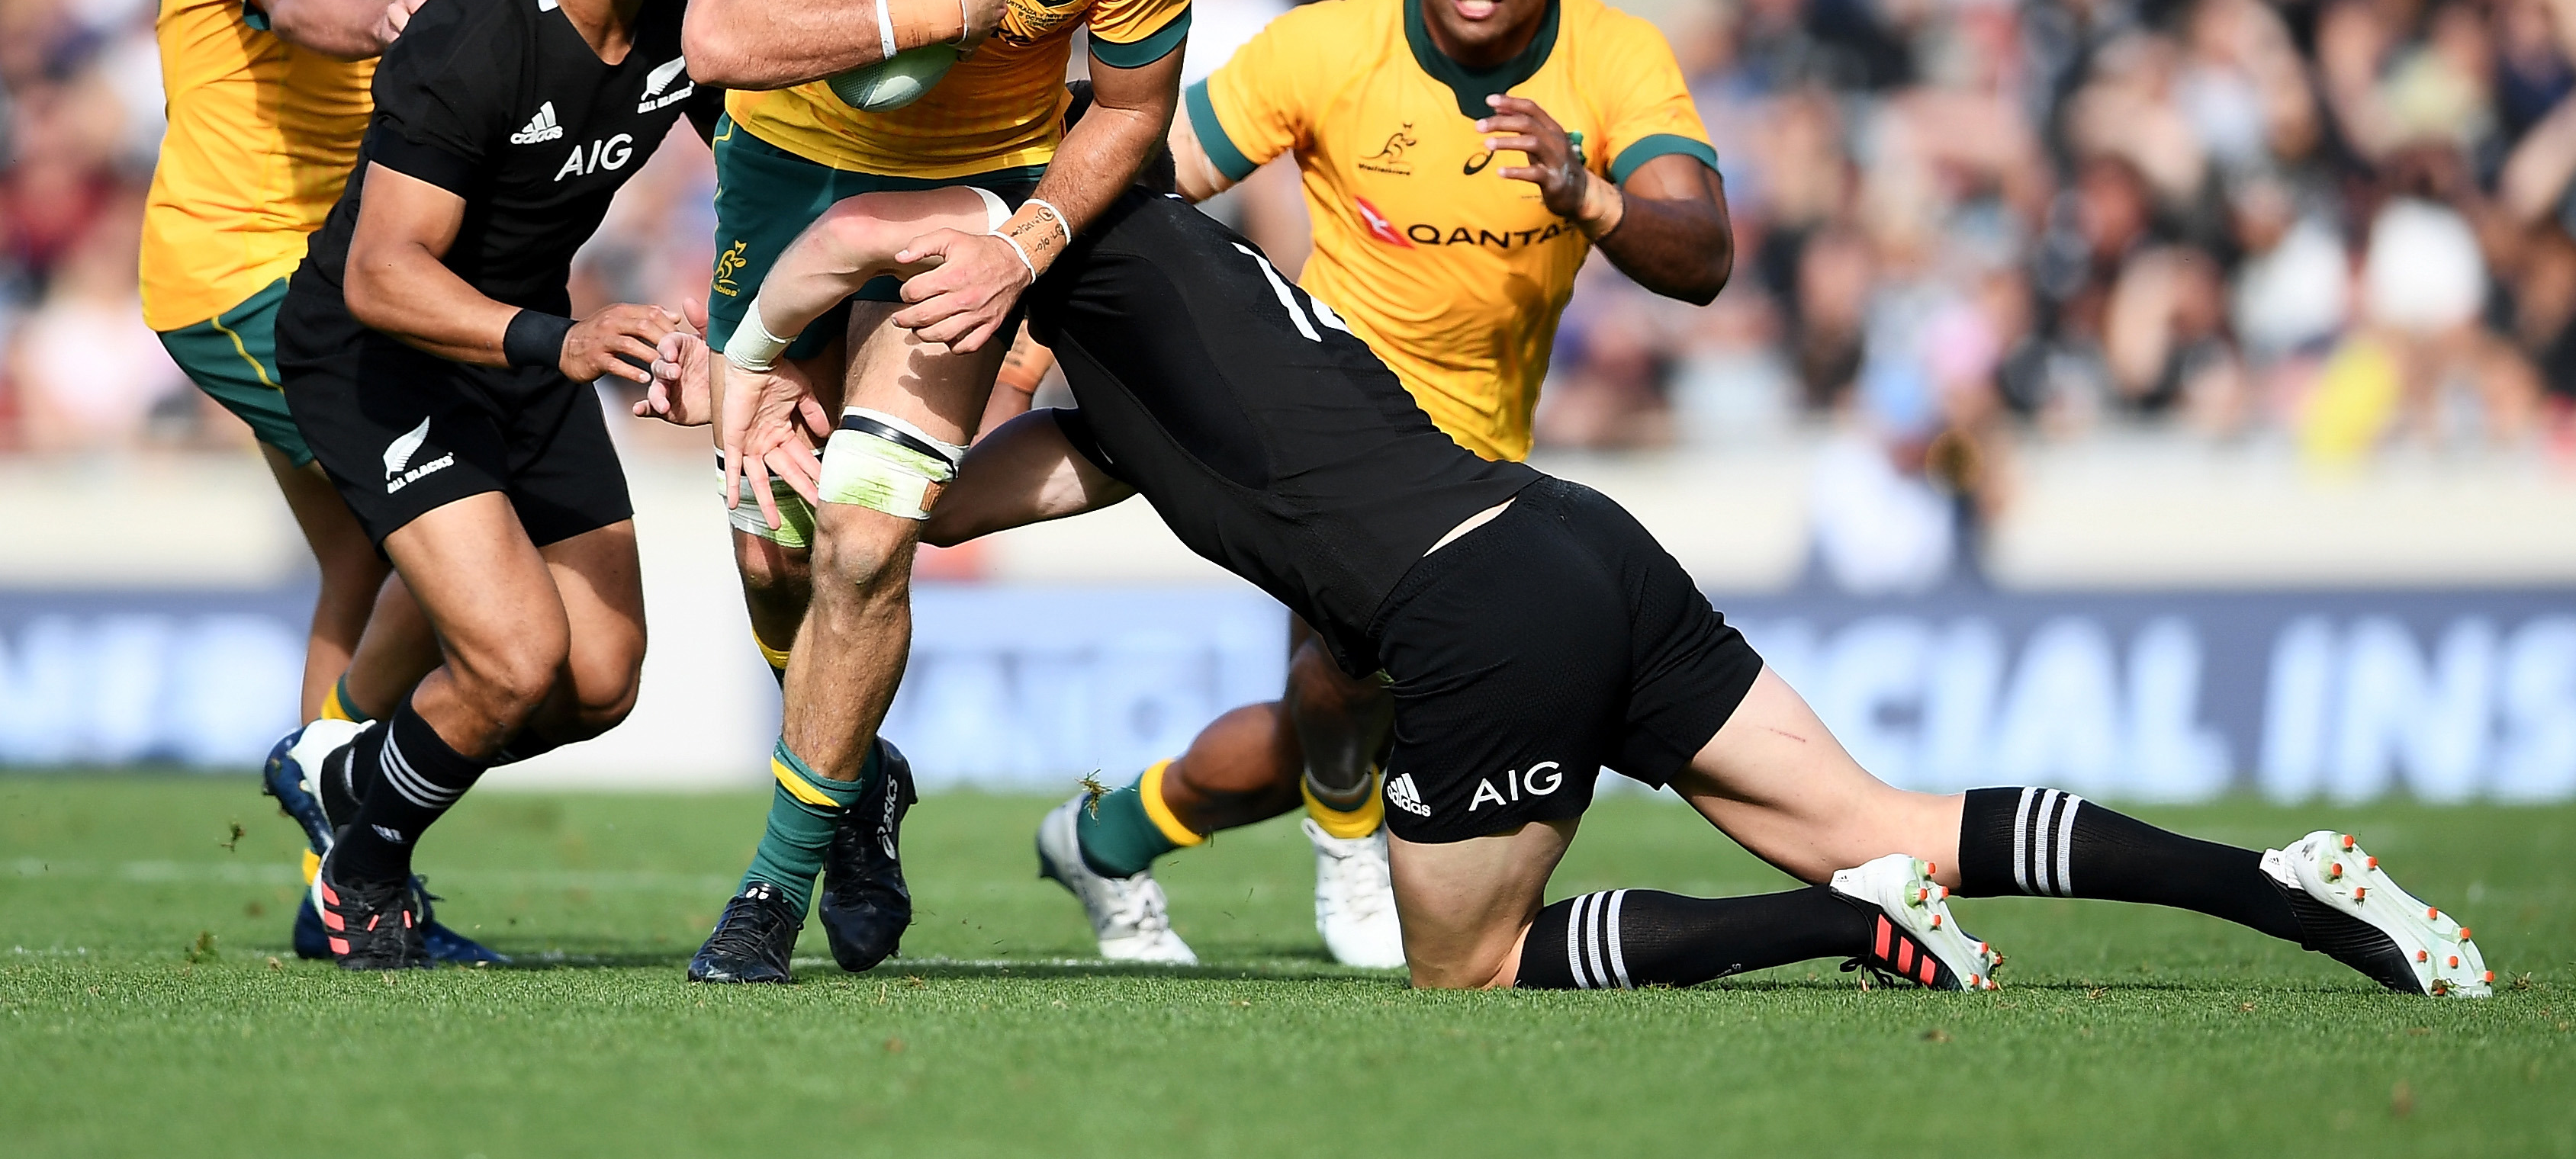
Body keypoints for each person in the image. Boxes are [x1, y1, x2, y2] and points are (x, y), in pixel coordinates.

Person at [670, 181, 2490, 1000]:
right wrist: (829, 458)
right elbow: (1012, 476)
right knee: (1888, 812)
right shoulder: (1176, 312)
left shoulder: (1040, 227)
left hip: (1477, 613)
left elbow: (859, 234)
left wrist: (745, 361)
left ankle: (1847, 930)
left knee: (1465, 966)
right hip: (1583, 541)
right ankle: (2283, 888)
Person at [1018, 0, 1732, 968]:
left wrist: (1587, 196)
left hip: (1488, 460)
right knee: (1346, 681)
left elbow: (1701, 255)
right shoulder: (1329, 49)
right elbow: (1150, 180)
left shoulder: (1614, 59)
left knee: (1345, 709)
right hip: (1319, 424)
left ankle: (1104, 836)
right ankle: (1348, 850)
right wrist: (1033, 321)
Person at [677, 0, 1192, 981]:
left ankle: (770, 894)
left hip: (970, 206)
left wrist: (1026, 246)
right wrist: (942, 8)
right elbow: (719, 36)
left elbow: (1134, 112)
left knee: (864, 535)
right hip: (784, 179)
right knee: (770, 553)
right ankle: (854, 787)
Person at [269, 0, 717, 968]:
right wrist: (563, 341)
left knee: (600, 680)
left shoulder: (693, 12)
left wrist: (732, 349)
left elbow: (767, 184)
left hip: (528, 341)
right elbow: (381, 274)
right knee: (514, 658)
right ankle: (358, 883)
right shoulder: (474, 33)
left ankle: (345, 764)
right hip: (383, 351)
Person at [137, 0, 492, 963]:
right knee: (454, 547)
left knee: (362, 552)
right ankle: (344, 814)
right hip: (245, 277)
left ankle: (337, 889)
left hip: (319, 275)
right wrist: (389, 17)